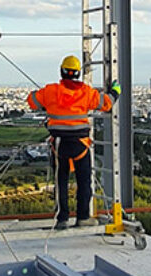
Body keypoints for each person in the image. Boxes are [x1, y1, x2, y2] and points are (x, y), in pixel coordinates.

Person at [26, 55, 119, 229]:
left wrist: (47, 102)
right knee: (84, 181)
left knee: (61, 180)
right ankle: (83, 216)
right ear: (78, 73)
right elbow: (106, 104)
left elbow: (32, 101)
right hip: (80, 143)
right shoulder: (86, 92)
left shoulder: (52, 91)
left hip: (59, 144)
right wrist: (115, 92)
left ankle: (62, 218)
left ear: (62, 71)